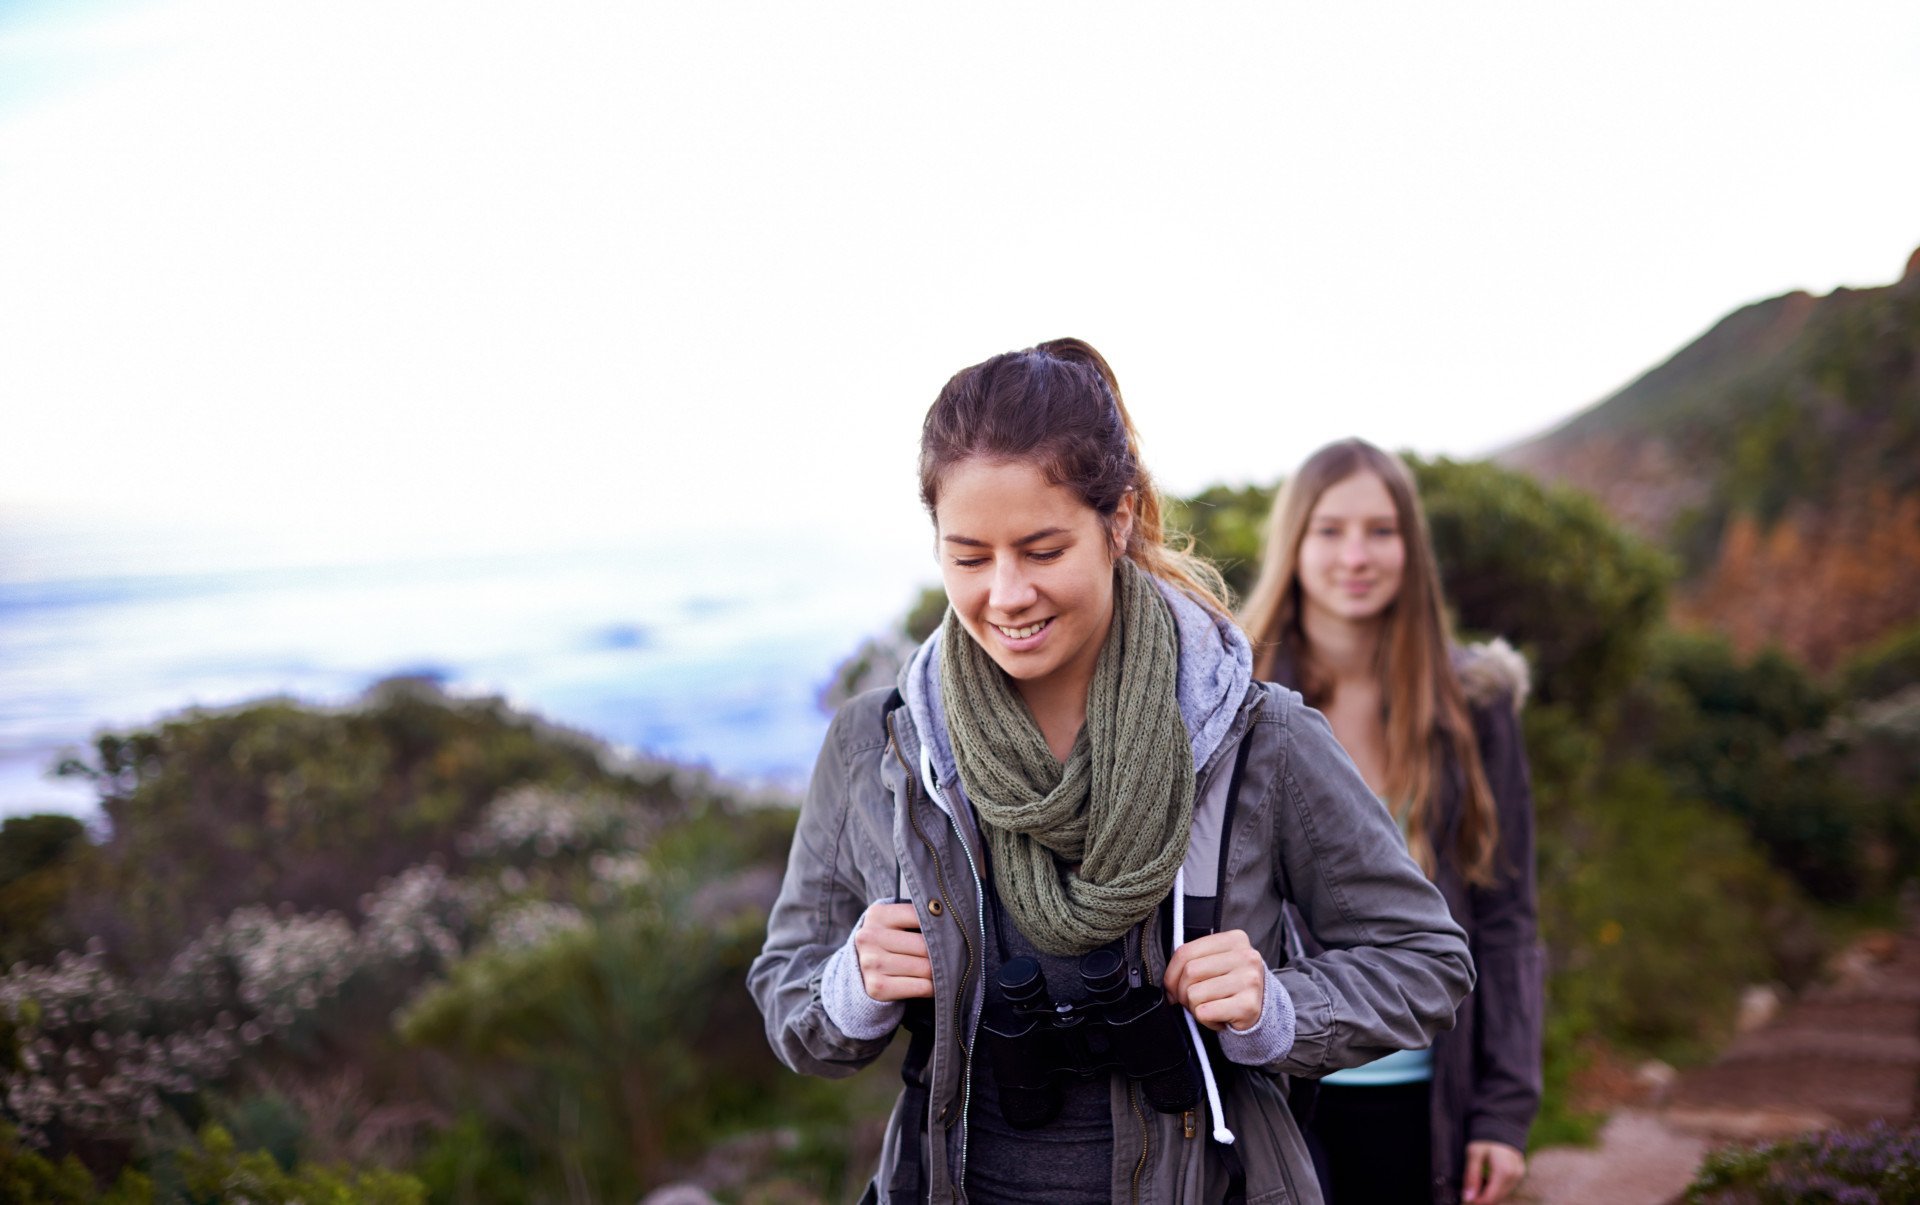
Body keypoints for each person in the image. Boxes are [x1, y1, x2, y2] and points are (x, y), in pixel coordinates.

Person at [749, 340, 1474, 1204]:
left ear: (1118, 519)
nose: (1006, 593)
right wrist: (850, 983)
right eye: (969, 557)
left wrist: (1276, 1006)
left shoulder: (1257, 737)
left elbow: (1427, 959)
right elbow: (790, 998)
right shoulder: (879, 744)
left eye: (1043, 549)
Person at [1238, 438, 1543, 1205]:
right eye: (1331, 529)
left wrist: (1504, 1112)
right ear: (1295, 543)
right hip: (1276, 1085)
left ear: (1412, 545)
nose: (1357, 554)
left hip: (1430, 1093)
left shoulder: (1474, 705)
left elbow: (1505, 919)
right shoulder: (1235, 702)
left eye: (1381, 529)